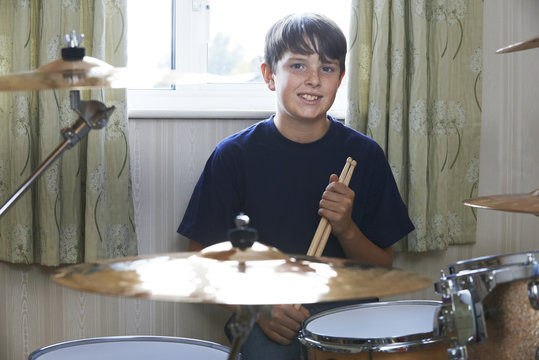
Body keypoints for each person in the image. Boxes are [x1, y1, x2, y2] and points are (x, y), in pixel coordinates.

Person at [177, 12, 414, 360]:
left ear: (341, 78)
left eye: (328, 68)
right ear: (270, 76)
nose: (314, 80)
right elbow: (199, 260)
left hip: (348, 314)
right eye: (299, 66)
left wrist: (346, 228)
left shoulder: (365, 156)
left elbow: (382, 268)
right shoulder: (233, 157)